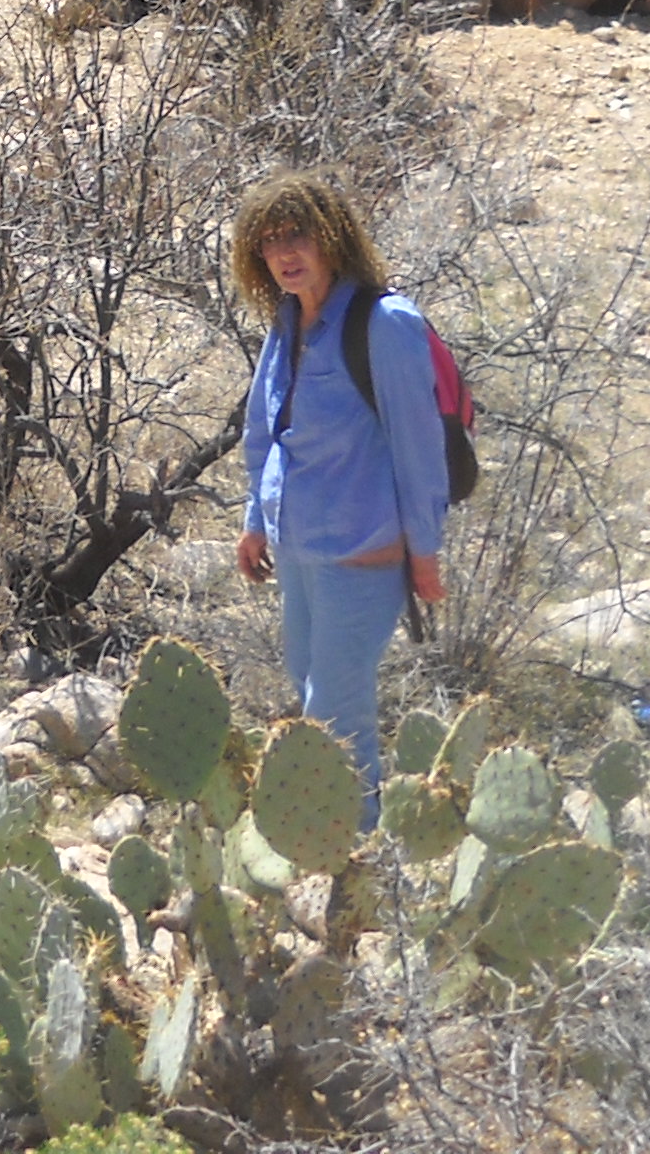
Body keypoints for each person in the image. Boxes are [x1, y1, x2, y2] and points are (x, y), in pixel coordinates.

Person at [232, 172, 448, 821]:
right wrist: (254, 521)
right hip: (297, 549)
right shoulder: (288, 321)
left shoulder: (385, 324)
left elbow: (420, 447)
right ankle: (330, 847)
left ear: (332, 237)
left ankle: (361, 868)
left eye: (297, 235)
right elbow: (268, 429)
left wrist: (427, 553)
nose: (284, 253)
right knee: (308, 693)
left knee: (337, 714)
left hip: (363, 551)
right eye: (269, 242)